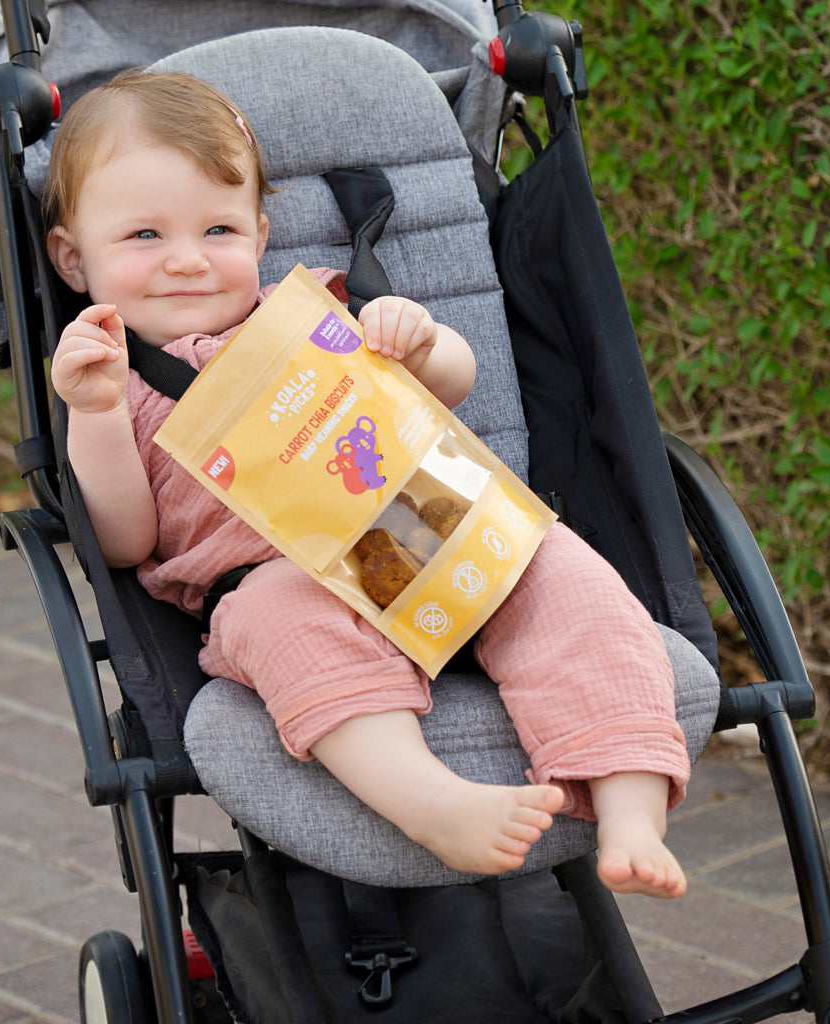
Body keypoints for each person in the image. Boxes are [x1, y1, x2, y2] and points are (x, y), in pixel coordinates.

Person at [45, 68, 691, 897]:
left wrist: (417, 346)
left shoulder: (306, 311)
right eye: (143, 237)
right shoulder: (111, 382)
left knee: (559, 572)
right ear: (72, 257)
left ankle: (631, 806)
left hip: (418, 520)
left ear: (261, 233)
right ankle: (431, 802)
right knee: (288, 625)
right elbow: (126, 543)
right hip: (277, 579)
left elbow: (452, 384)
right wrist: (93, 416)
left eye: (219, 230)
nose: (187, 262)